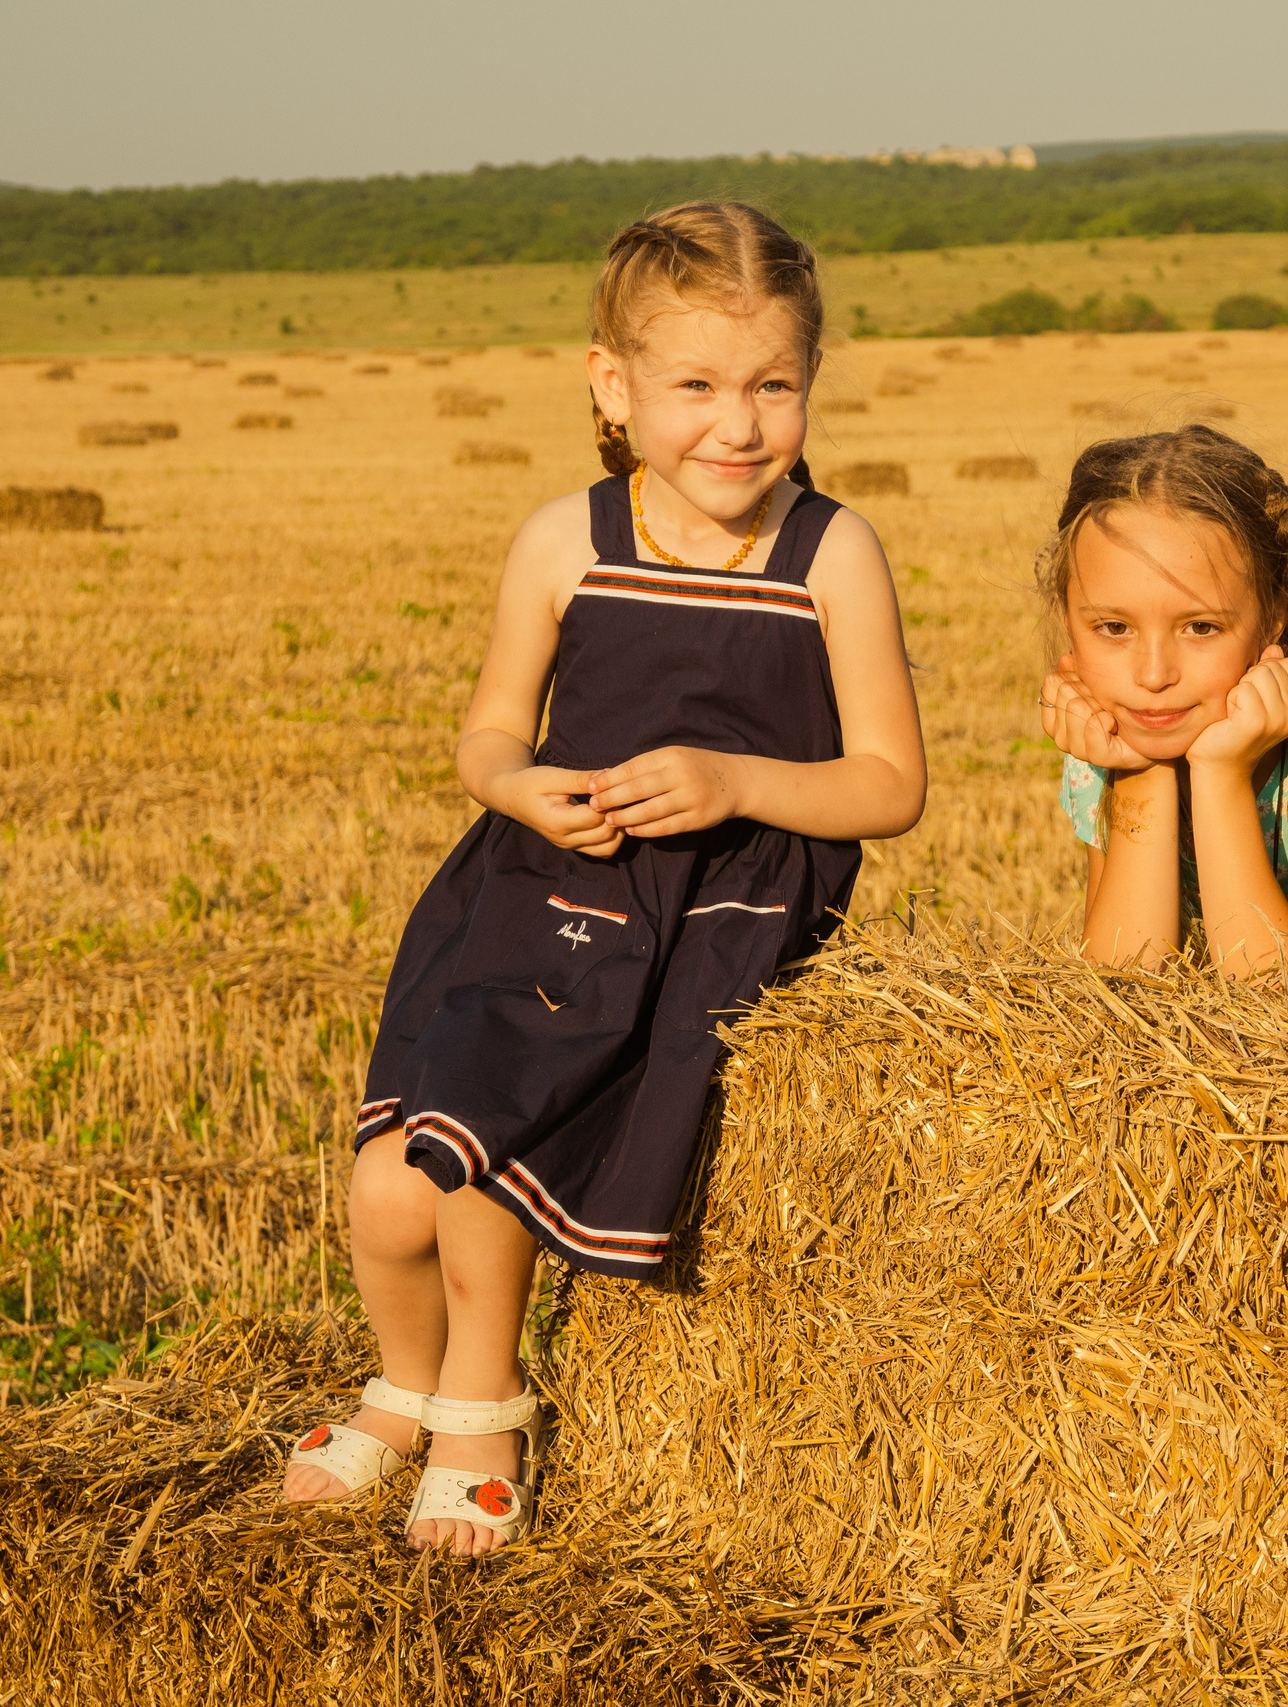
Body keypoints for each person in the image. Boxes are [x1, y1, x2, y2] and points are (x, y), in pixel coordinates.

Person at [280, 202, 925, 1554]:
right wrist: (518, 787)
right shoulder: (563, 540)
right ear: (612, 388)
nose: (736, 426)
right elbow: (490, 733)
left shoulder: (832, 555)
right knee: (386, 1192)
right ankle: (401, 1386)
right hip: (538, 881)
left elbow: (887, 784)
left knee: (481, 1163)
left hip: (722, 902)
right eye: (695, 386)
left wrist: (738, 782)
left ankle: (482, 1403)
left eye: (773, 386)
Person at [1036, 427, 1288, 976]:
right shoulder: (1110, 733)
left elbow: (1276, 1011)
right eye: (1114, 627)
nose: (1153, 676)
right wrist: (1143, 774)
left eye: (1200, 627)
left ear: (1275, 612)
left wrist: (1222, 778)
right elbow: (1126, 982)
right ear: (1067, 618)